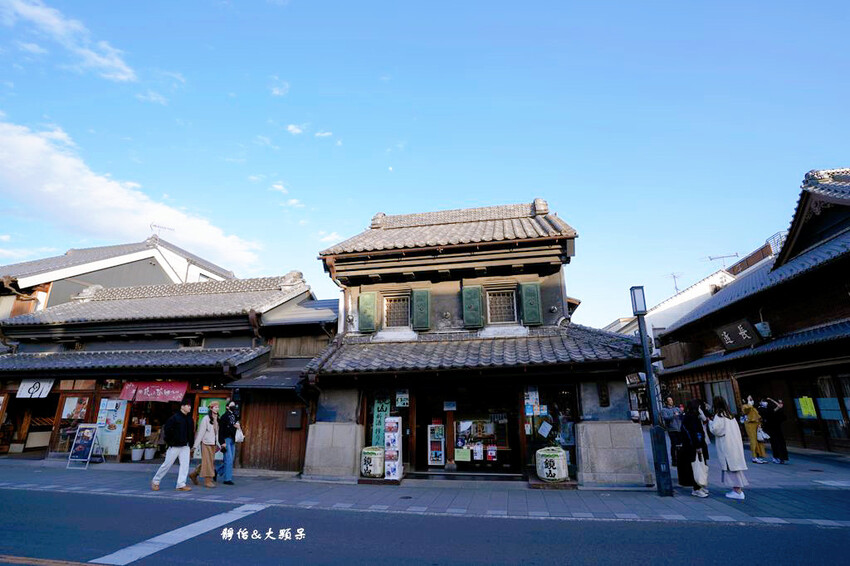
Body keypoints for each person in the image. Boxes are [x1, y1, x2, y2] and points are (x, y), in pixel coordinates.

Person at [709, 396, 749, 500]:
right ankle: (738, 490)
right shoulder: (730, 415)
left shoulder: (719, 416)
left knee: (731, 468)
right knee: (735, 468)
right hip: (734, 444)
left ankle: (737, 491)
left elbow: (716, 430)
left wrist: (710, 423)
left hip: (726, 445)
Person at [151, 398, 195, 492]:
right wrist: (170, 442)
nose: (190, 407)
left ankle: (181, 484)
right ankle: (155, 481)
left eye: (190, 406)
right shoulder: (174, 418)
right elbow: (167, 431)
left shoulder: (189, 418)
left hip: (185, 446)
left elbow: (191, 432)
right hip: (175, 445)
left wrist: (191, 443)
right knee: (167, 464)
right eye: (188, 405)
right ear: (182, 406)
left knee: (185, 465)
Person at [680, 399, 710, 497]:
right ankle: (697, 488)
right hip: (695, 446)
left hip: (694, 445)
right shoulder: (691, 418)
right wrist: (697, 445)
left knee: (700, 465)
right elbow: (694, 433)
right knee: (697, 466)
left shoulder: (691, 417)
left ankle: (700, 486)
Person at [189, 402, 220, 488]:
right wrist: (195, 446)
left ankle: (194, 474)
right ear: (211, 408)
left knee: (208, 461)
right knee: (208, 462)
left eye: (218, 407)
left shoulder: (217, 418)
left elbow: (217, 433)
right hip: (206, 443)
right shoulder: (206, 418)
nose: (217, 408)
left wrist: (218, 443)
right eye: (215, 407)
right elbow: (201, 433)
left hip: (213, 443)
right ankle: (208, 481)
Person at [215, 401, 240, 485]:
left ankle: (217, 471)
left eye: (234, 405)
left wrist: (238, 427)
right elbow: (221, 430)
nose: (233, 406)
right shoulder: (224, 417)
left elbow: (236, 426)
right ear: (227, 407)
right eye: (231, 405)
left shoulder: (235, 416)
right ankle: (227, 479)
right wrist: (222, 442)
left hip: (233, 439)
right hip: (226, 439)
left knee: (230, 459)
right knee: (228, 459)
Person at [762, 397, 789, 464]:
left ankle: (780, 457)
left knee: (778, 443)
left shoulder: (774, 408)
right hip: (773, 428)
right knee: (776, 443)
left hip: (776, 428)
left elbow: (783, 417)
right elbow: (768, 415)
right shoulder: (768, 409)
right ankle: (777, 457)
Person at [741, 395, 767, 463]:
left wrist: (759, 424)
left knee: (759, 441)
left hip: (756, 424)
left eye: (752, 399)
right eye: (750, 399)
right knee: (753, 440)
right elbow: (746, 411)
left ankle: (759, 456)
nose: (751, 400)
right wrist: (749, 402)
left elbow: (758, 416)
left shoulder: (754, 408)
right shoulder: (745, 406)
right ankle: (754, 457)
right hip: (750, 425)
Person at [660, 397, 683, 466]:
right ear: (666, 402)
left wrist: (681, 413)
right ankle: (674, 460)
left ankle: (681, 458)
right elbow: (666, 418)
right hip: (672, 429)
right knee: (674, 444)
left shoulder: (676, 408)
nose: (671, 401)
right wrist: (674, 415)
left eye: (672, 400)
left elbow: (681, 414)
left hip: (679, 428)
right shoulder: (664, 410)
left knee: (680, 444)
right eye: (669, 400)